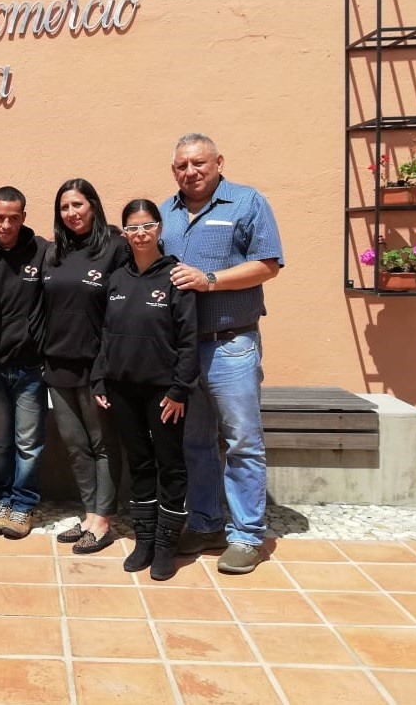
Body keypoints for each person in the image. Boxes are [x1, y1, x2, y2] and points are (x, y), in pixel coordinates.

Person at [161, 133, 284, 574]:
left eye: (199, 163)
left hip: (231, 344)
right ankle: (206, 522)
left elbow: (268, 264)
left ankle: (247, 535)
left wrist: (209, 280)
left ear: (218, 162)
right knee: (195, 441)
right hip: (185, 350)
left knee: (242, 442)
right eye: (182, 165)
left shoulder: (247, 202)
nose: (190, 172)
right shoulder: (165, 212)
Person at [92, 199, 200, 581]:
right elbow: (106, 334)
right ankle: (146, 540)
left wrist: (179, 389)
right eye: (133, 228)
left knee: (170, 463)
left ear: (159, 229)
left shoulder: (175, 277)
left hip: (164, 393)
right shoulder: (117, 279)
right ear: (124, 233)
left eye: (147, 226)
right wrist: (100, 377)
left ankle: (167, 545)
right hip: (122, 389)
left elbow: (189, 340)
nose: (140, 234)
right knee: (139, 463)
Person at [43, 178, 128, 554]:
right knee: (76, 445)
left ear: (93, 205)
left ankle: (104, 520)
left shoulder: (115, 248)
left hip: (97, 365)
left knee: (102, 443)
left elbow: (122, 310)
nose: (71, 213)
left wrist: (107, 367)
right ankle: (89, 514)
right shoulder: (54, 252)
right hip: (57, 363)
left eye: (78, 204)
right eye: (64, 207)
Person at [0, 186, 48, 539]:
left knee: (29, 444)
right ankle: (3, 499)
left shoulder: (42, 251)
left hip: (30, 366)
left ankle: (23, 505)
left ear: (24, 217)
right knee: (1, 444)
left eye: (13, 218)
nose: (6, 225)